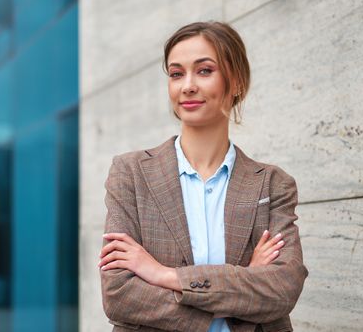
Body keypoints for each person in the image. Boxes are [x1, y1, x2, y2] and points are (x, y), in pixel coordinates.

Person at [98, 21, 308, 332]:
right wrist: (240, 287)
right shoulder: (131, 174)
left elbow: (281, 290)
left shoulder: (272, 184)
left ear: (235, 82)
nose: (187, 86)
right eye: (176, 73)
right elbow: (119, 295)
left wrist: (164, 275)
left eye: (205, 70)